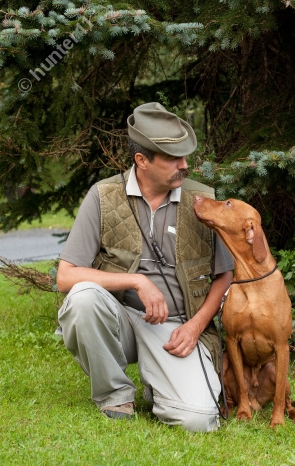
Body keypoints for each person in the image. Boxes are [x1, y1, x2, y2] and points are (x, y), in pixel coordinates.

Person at [56, 102, 233, 432]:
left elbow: (225, 274)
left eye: (185, 155)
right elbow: (66, 276)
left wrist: (195, 327)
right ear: (142, 160)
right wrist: (135, 280)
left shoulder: (202, 199)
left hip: (177, 327)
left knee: (198, 421)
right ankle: (115, 395)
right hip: (120, 321)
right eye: (173, 158)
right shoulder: (103, 196)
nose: (185, 165)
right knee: (82, 298)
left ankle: (162, 386)